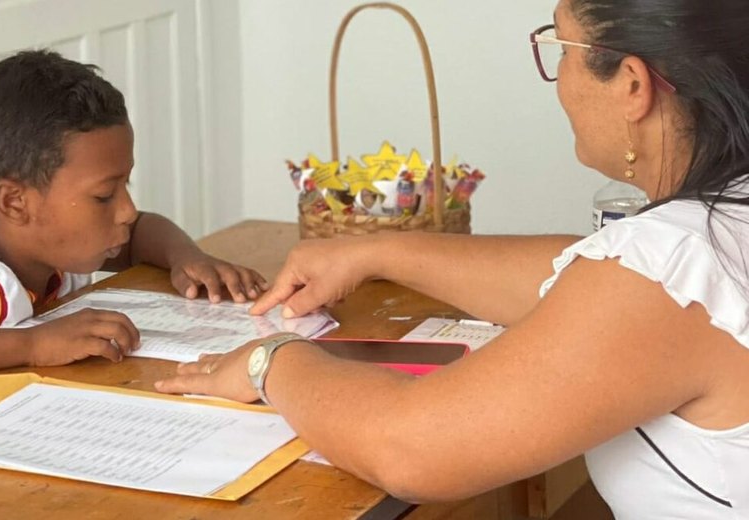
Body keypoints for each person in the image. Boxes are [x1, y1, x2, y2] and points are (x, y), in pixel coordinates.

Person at [155, 0, 749, 518]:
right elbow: (578, 273)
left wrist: (271, 361)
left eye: (560, 45)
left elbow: (411, 448)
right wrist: (376, 251)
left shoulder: (673, 264)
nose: (558, 76)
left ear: (632, 85)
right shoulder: (722, 221)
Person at [0, 50, 268, 386]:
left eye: (124, 185)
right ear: (15, 202)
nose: (127, 210)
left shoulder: (54, 251)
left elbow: (142, 229)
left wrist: (187, 258)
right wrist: (32, 344)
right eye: (103, 196)